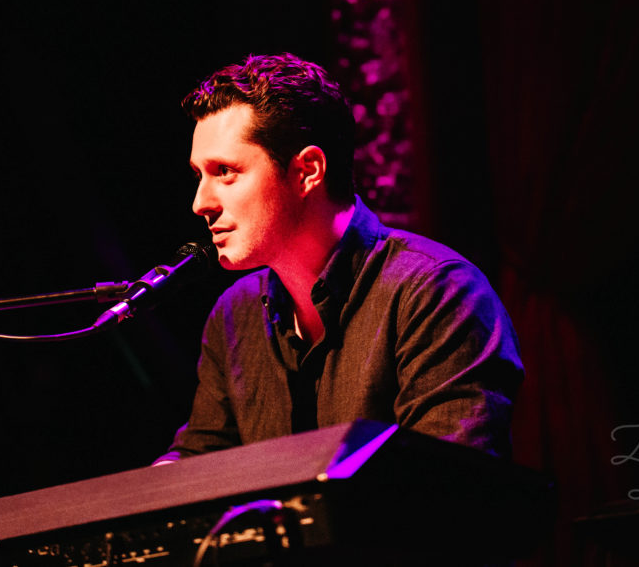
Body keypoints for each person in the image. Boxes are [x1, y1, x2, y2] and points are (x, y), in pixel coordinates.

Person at [155, 53, 523, 464]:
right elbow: (199, 460)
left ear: (307, 171)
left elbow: (447, 483)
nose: (200, 203)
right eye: (199, 175)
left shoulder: (438, 293)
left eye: (225, 171)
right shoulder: (234, 314)